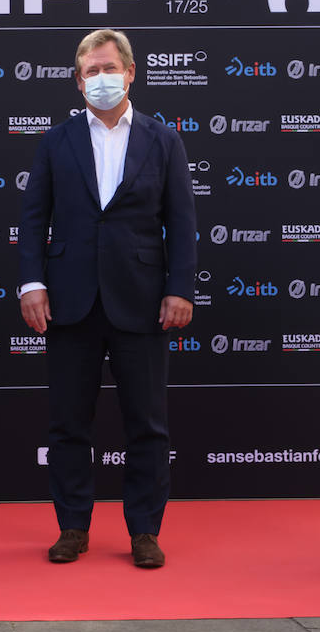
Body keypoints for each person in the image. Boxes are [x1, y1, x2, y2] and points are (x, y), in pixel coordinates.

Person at [17, 28, 197, 568]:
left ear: (130, 72)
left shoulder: (164, 141)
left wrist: (180, 289)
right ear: (77, 82)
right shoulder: (57, 141)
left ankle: (144, 530)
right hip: (70, 300)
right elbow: (33, 220)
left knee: (147, 422)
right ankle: (73, 526)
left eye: (108, 68)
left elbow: (182, 224)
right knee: (69, 423)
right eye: (90, 71)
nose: (100, 78)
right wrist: (32, 283)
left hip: (142, 301)